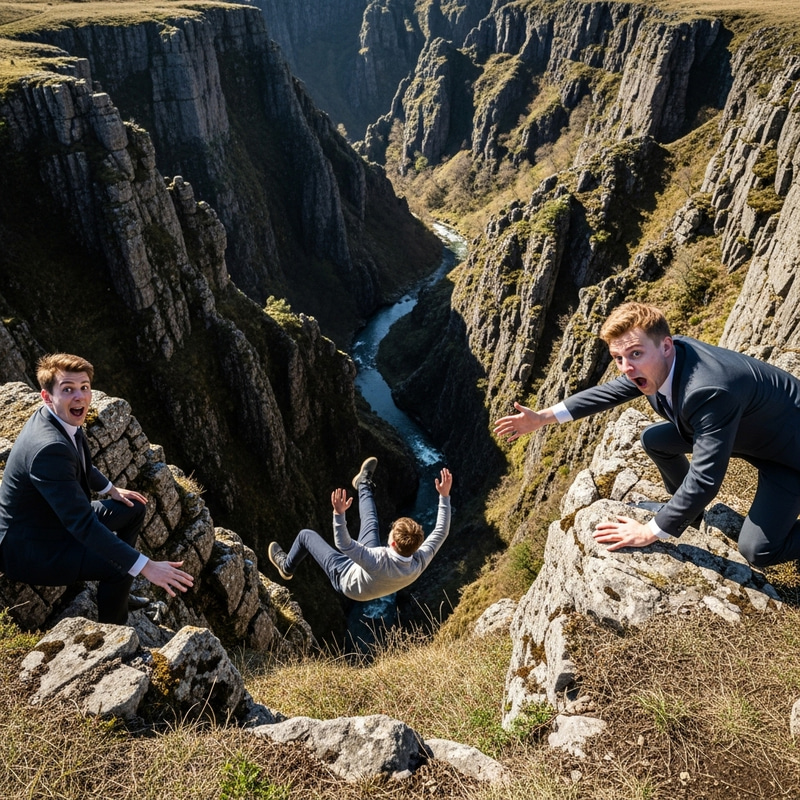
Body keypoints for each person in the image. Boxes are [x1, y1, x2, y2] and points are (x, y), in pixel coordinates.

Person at [494, 302, 800, 568]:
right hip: (759, 434)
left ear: (665, 346)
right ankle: (689, 516)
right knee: (654, 440)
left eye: (635, 354)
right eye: (618, 358)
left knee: (758, 550)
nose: (626, 368)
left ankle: (676, 516)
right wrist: (543, 418)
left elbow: (706, 480)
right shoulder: (665, 359)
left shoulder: (708, 391)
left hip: (790, 458)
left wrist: (650, 532)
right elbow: (609, 393)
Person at [0, 353, 194, 625]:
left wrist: (111, 489)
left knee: (134, 508)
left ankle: (117, 592)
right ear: (47, 396)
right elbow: (82, 525)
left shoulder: (58, 418)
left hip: (51, 521)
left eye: (84, 387)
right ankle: (115, 631)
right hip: (32, 549)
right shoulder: (49, 448)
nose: (80, 396)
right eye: (68, 389)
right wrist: (146, 566)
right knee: (121, 567)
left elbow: (80, 464)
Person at [268, 457, 453, 601]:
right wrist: (444, 496)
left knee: (305, 535)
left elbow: (343, 544)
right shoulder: (419, 561)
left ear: (392, 543)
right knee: (371, 522)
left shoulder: (377, 559)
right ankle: (363, 483)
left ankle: (286, 567)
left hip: (345, 578)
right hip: (371, 577)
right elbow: (441, 532)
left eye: (392, 531)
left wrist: (338, 514)